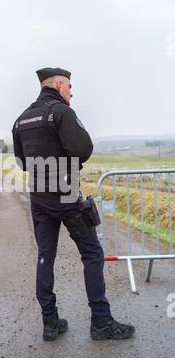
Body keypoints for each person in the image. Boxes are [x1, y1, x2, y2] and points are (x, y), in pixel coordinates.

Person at [12, 67, 135, 341]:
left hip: (38, 196)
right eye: (69, 86)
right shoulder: (62, 113)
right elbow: (83, 149)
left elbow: (21, 162)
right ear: (58, 84)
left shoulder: (21, 120)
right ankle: (101, 321)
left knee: (45, 256)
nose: (71, 92)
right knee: (92, 253)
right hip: (65, 194)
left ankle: (50, 323)